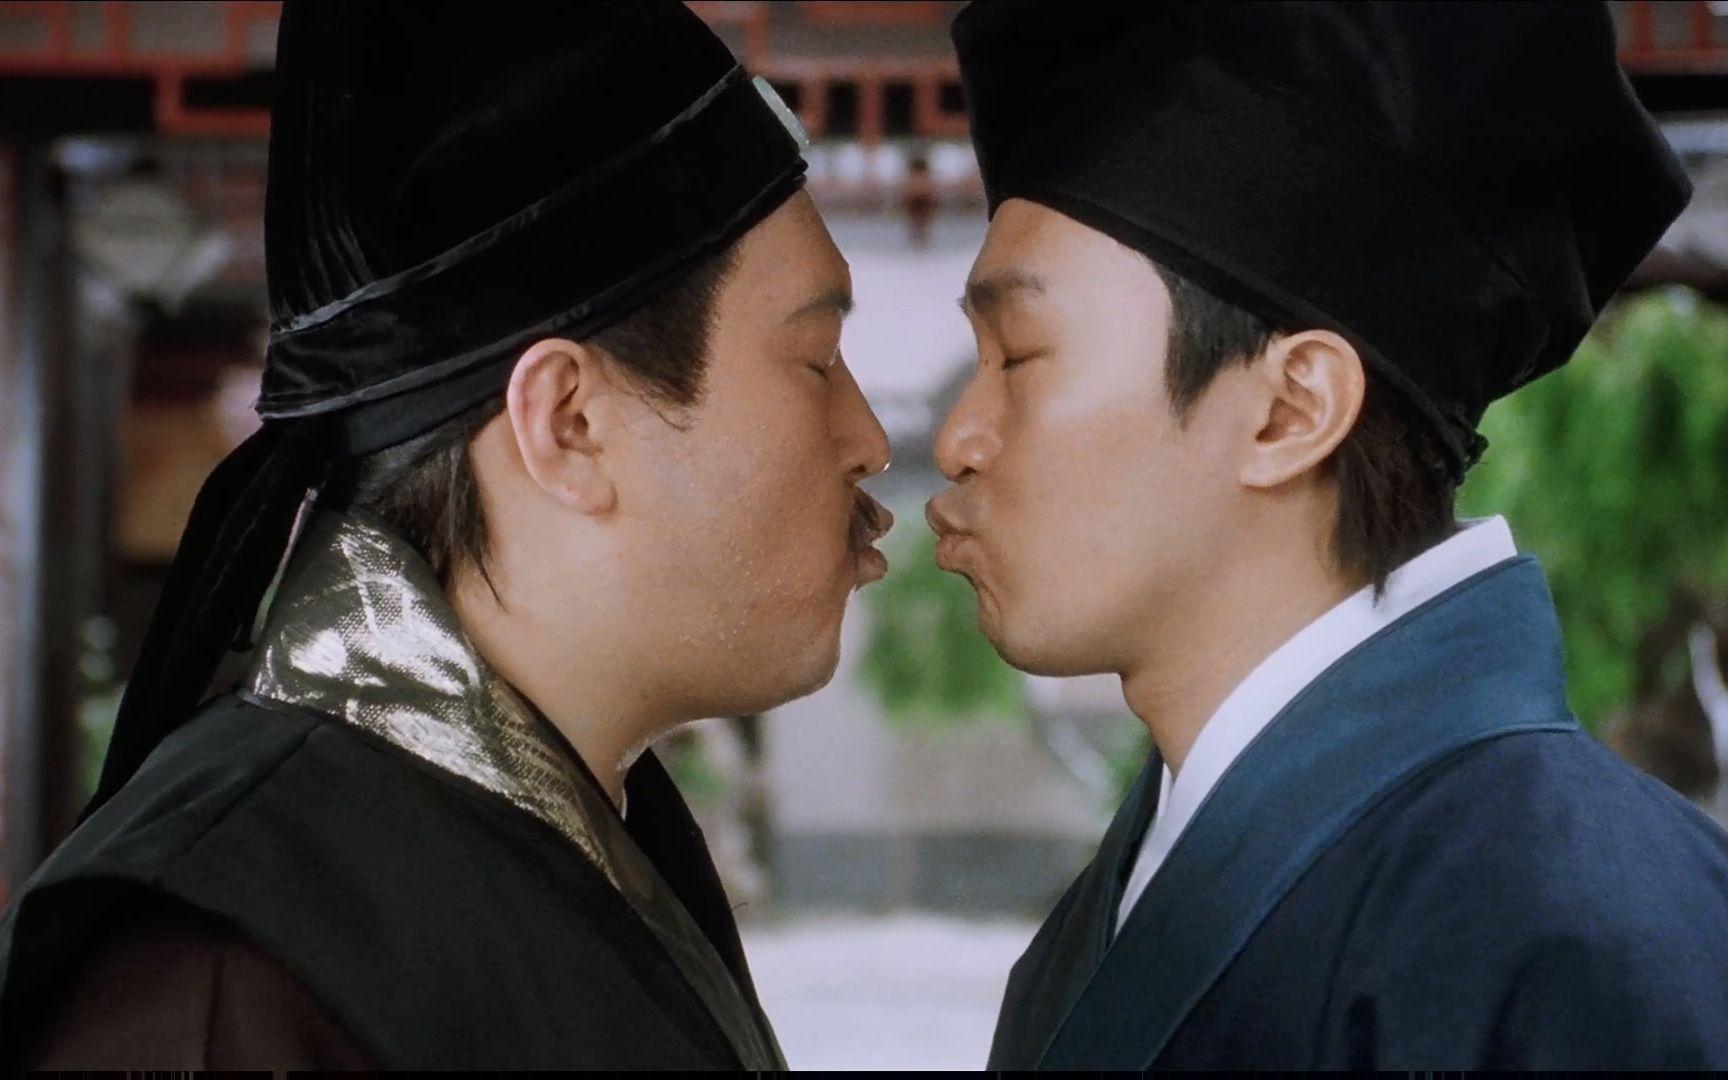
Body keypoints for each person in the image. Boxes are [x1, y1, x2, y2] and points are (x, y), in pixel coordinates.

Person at [0, 0, 891, 1068]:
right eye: (815, 360)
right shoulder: (232, 968)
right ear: (568, 424)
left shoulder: (574, 833)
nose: (871, 441)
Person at [929, 0, 1728, 1069]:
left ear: (1289, 409)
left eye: (1019, 355)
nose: (957, 438)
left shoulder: (1572, 940)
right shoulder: (1139, 891)